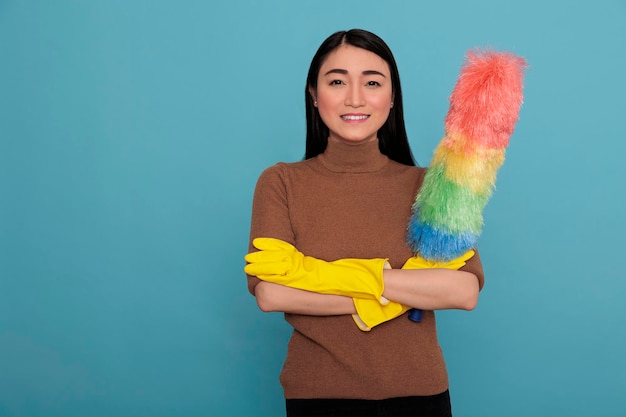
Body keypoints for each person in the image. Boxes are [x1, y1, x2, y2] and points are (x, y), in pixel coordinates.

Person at [245, 29, 484, 417]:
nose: (354, 98)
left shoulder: (428, 186)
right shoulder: (281, 181)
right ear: (313, 95)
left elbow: (462, 290)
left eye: (372, 82)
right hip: (317, 397)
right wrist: (403, 288)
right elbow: (273, 294)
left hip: (420, 394)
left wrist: (317, 274)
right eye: (337, 81)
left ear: (391, 98)